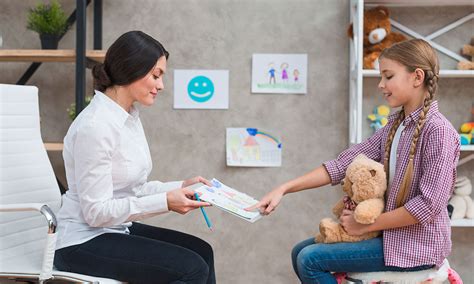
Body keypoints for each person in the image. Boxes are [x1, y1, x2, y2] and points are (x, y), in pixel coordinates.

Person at [248, 39, 460, 284]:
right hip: (388, 235)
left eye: (388, 76)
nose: (381, 85)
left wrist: (364, 224)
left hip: (416, 246)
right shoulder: (395, 125)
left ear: (417, 77)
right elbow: (341, 165)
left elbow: (428, 206)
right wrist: (283, 188)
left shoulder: (439, 132)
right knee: (299, 252)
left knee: (310, 259)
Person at [54, 31, 216, 284]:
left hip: (115, 229)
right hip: (80, 242)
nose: (161, 85)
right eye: (156, 75)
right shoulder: (95, 126)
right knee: (191, 268)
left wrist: (180, 187)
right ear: (131, 69)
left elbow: (133, 189)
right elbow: (96, 213)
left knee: (202, 252)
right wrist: (165, 202)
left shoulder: (128, 117)